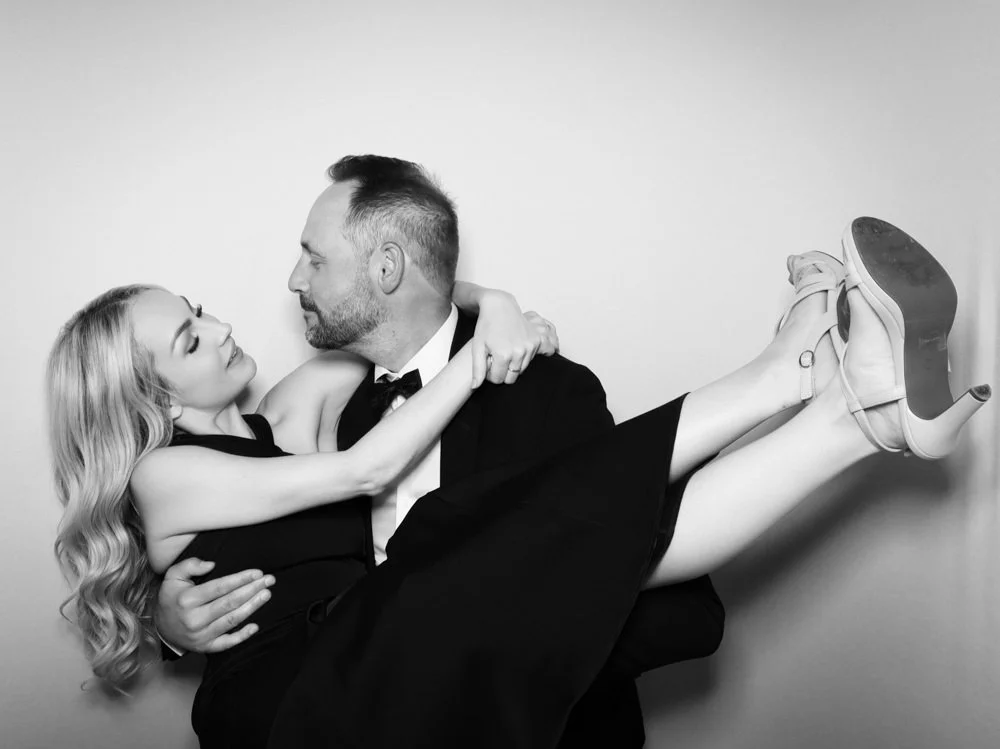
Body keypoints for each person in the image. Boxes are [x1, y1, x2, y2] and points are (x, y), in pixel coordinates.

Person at [50, 156, 990, 748]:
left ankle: (853, 413)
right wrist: (170, 624)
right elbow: (363, 476)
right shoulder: (198, 462)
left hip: (485, 696)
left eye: (312, 255)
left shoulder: (305, 403)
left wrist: (490, 309)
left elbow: (636, 565)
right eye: (188, 335)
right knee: (448, 536)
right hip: (306, 708)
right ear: (153, 393)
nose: (268, 290)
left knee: (490, 536)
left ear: (382, 270)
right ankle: (795, 377)